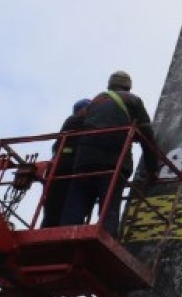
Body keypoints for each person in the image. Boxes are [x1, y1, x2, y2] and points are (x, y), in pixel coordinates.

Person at [60, 71, 157, 232]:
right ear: (128, 86)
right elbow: (147, 136)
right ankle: (106, 238)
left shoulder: (96, 101)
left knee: (76, 204)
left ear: (110, 85)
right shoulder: (132, 100)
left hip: (84, 160)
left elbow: (74, 125)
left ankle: (64, 237)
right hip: (113, 160)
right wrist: (152, 169)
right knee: (109, 207)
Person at [41, 97, 90, 228]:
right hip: (66, 167)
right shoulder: (76, 121)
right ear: (82, 109)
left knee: (55, 202)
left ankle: (49, 227)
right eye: (89, 108)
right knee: (61, 201)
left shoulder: (71, 123)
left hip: (59, 166)